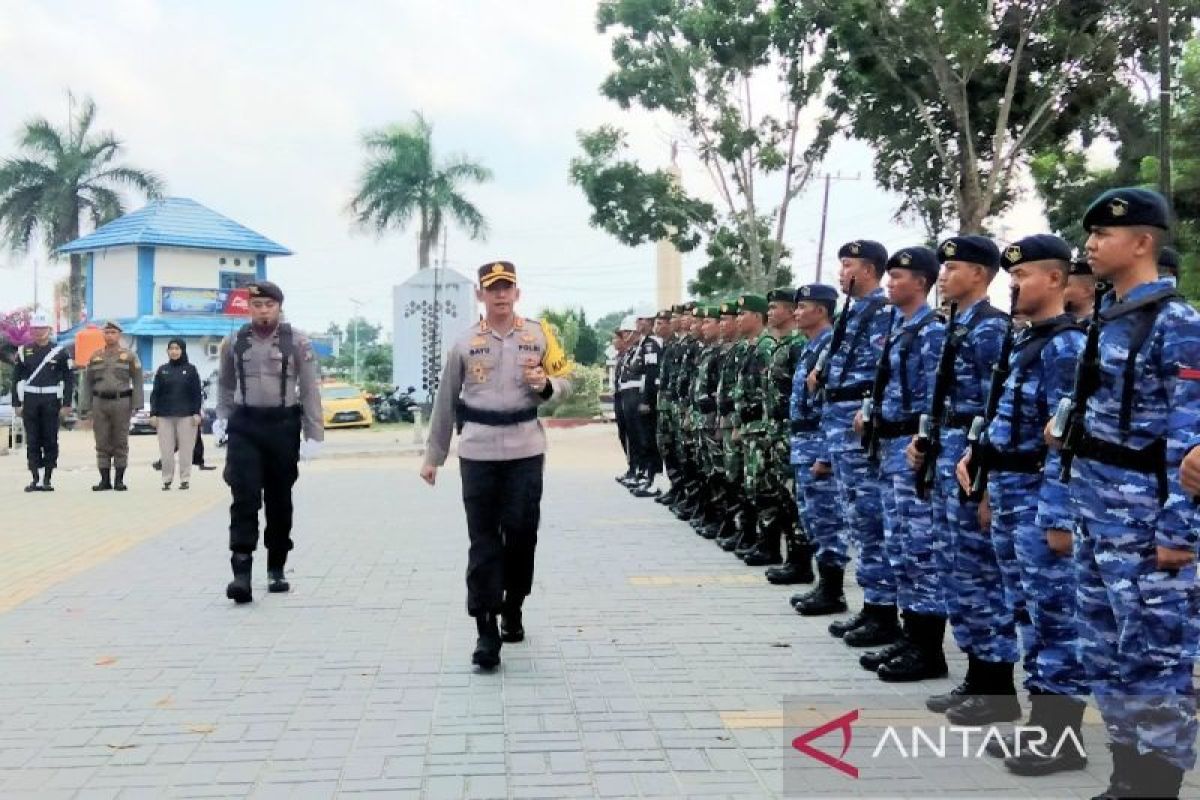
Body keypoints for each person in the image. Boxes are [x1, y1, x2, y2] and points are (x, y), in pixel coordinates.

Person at [1047, 188, 1200, 798]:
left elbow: (1191, 439)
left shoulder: (1177, 323)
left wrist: (1179, 533)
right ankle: (1125, 777)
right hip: (1094, 515)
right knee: (1104, 652)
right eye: (1089, 234)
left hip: (1145, 523)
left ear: (1142, 242)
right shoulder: (1103, 320)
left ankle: (1157, 784)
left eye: (1105, 234)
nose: (1091, 244)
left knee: (1155, 659)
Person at [952, 234, 1088, 775]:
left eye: (1024, 275)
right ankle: (1042, 725)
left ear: (1055, 279)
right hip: (1010, 493)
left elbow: (1065, 439)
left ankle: (1062, 738)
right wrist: (982, 476)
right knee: (1027, 612)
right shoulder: (1026, 339)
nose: (1013, 284)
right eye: (1010, 276)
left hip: (1037, 494)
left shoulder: (1066, 347)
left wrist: (1057, 513)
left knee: (1055, 616)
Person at [420, 261, 573, 670]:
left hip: (525, 450)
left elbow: (565, 381)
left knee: (522, 535)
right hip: (479, 453)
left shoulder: (539, 335)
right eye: (493, 289)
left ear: (517, 293)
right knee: (484, 542)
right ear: (480, 295)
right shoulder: (465, 343)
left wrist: (546, 386)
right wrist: (434, 456)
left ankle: (514, 605)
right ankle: (485, 628)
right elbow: (446, 400)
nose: (500, 295)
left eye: (507, 288)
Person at [906, 235, 1018, 725]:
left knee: (979, 573)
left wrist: (985, 470)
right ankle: (976, 675)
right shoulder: (954, 325)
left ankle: (997, 685)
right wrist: (925, 442)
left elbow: (994, 407)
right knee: (955, 567)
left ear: (980, 274)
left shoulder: (992, 329)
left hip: (972, 458)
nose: (944, 275)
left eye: (954, 267)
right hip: (948, 451)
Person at [856, 246, 947, 682]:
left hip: (911, 448)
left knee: (920, 548)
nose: (890, 282)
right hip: (887, 447)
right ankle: (911, 636)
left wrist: (924, 443)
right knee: (900, 547)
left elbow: (936, 397)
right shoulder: (898, 326)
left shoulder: (931, 330)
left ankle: (928, 648)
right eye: (888, 274)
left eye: (899, 276)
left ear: (922, 282)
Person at [808, 241, 896, 647]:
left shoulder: (883, 313)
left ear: (868, 271)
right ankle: (872, 606)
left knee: (870, 521)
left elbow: (881, 375)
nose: (842, 272)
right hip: (839, 428)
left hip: (859, 431)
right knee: (858, 521)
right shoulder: (851, 314)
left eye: (848, 265)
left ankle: (882, 611)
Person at [215, 281, 323, 604]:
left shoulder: (297, 342)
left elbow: (309, 389)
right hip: (245, 425)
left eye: (269, 305)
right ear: (249, 307)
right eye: (257, 305)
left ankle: (276, 566)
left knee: (279, 499)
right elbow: (224, 383)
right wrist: (221, 417)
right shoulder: (233, 342)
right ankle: (241, 572)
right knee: (244, 496)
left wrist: (314, 434)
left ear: (279, 307)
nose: (263, 311)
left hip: (282, 425)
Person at [11, 310, 74, 492]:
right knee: (32, 440)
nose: (39, 332)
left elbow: (69, 379)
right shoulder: (23, 351)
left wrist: (67, 403)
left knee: (50, 440)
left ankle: (47, 477)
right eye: (36, 328)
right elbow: (16, 379)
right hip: (30, 401)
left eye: (43, 328)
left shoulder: (60, 352)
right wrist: (16, 403)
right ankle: (35, 478)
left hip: (50, 401)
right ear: (31, 330)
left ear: (49, 329)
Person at [81, 321, 143, 491]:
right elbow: (87, 382)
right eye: (107, 332)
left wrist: (138, 403)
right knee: (102, 441)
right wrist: (85, 407)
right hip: (99, 403)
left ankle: (119, 480)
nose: (109, 336)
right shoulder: (95, 356)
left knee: (120, 441)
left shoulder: (129, 356)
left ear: (119, 335)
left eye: (113, 332)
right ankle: (104, 480)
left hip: (121, 402)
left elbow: (137, 380)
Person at [150, 338, 203, 490]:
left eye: (177, 348)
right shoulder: (162, 370)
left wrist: (196, 413)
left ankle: (185, 479)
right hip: (164, 416)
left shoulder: (191, 370)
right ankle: (167, 479)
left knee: (186, 450)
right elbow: (155, 394)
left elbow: (196, 393)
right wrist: (153, 414)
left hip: (186, 416)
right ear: (167, 351)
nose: (174, 351)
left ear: (183, 350)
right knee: (166, 450)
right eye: (171, 348)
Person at [611, 320, 637, 485]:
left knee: (633, 435)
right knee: (624, 433)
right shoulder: (621, 356)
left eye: (617, 337)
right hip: (620, 396)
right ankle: (632, 467)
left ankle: (637, 468)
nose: (614, 341)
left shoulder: (633, 353)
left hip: (630, 397)